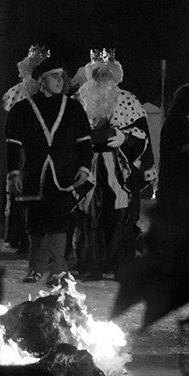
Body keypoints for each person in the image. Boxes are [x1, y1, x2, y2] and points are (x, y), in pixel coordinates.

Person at [5, 56, 92, 286]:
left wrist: (84, 168)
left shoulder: (73, 108)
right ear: (42, 80)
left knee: (59, 220)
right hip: (34, 173)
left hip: (64, 173)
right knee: (35, 221)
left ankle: (58, 269)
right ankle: (36, 268)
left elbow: (85, 142)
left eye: (62, 77)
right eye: (55, 76)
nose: (60, 81)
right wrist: (14, 173)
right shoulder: (22, 109)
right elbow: (13, 144)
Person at [73, 49, 156, 281]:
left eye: (106, 73)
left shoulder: (129, 100)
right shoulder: (79, 100)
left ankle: (121, 264)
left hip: (119, 169)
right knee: (88, 215)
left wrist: (124, 138)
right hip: (88, 167)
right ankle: (91, 263)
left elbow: (142, 135)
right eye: (98, 73)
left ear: (114, 76)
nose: (102, 78)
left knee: (120, 215)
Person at [1, 45, 50, 255]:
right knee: (22, 194)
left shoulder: (51, 93)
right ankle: (22, 238)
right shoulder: (15, 94)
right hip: (22, 151)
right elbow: (7, 127)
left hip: (44, 152)